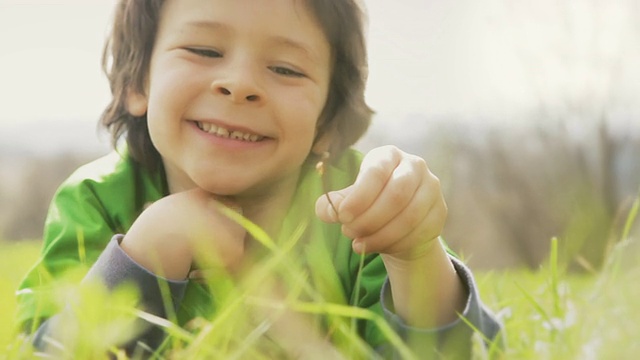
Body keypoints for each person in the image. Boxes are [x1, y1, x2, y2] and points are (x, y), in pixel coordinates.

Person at [15, 0, 502, 358]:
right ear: (136, 81)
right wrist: (144, 258)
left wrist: (413, 252)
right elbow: (51, 352)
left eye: (285, 68)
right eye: (204, 49)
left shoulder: (359, 206)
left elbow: (449, 352)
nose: (241, 83)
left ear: (327, 122)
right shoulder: (97, 200)